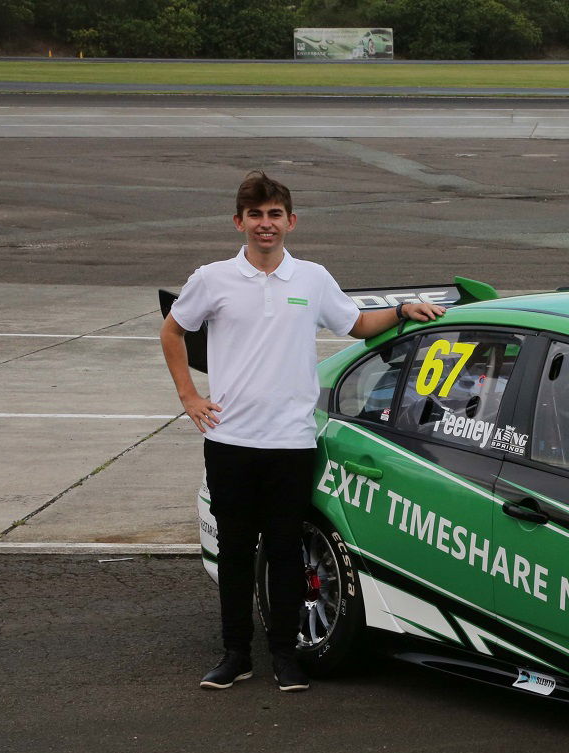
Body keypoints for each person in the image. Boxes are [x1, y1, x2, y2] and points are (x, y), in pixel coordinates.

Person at [160, 171, 444, 692]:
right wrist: (189, 397)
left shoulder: (312, 278)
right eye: (255, 216)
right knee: (237, 552)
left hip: (291, 442)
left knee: (287, 552)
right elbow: (173, 329)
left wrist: (403, 311)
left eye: (274, 215)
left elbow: (356, 325)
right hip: (230, 443)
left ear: (290, 221)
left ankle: (286, 655)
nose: (265, 225)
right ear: (239, 221)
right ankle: (235, 654)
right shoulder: (213, 278)